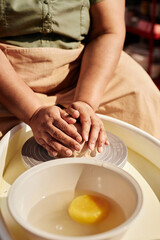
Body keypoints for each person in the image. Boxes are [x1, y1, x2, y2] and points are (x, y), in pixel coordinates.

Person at [0, 0, 160, 158]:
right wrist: (33, 113)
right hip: (9, 77)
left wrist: (86, 102)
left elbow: (108, 31)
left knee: (145, 98)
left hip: (83, 68)